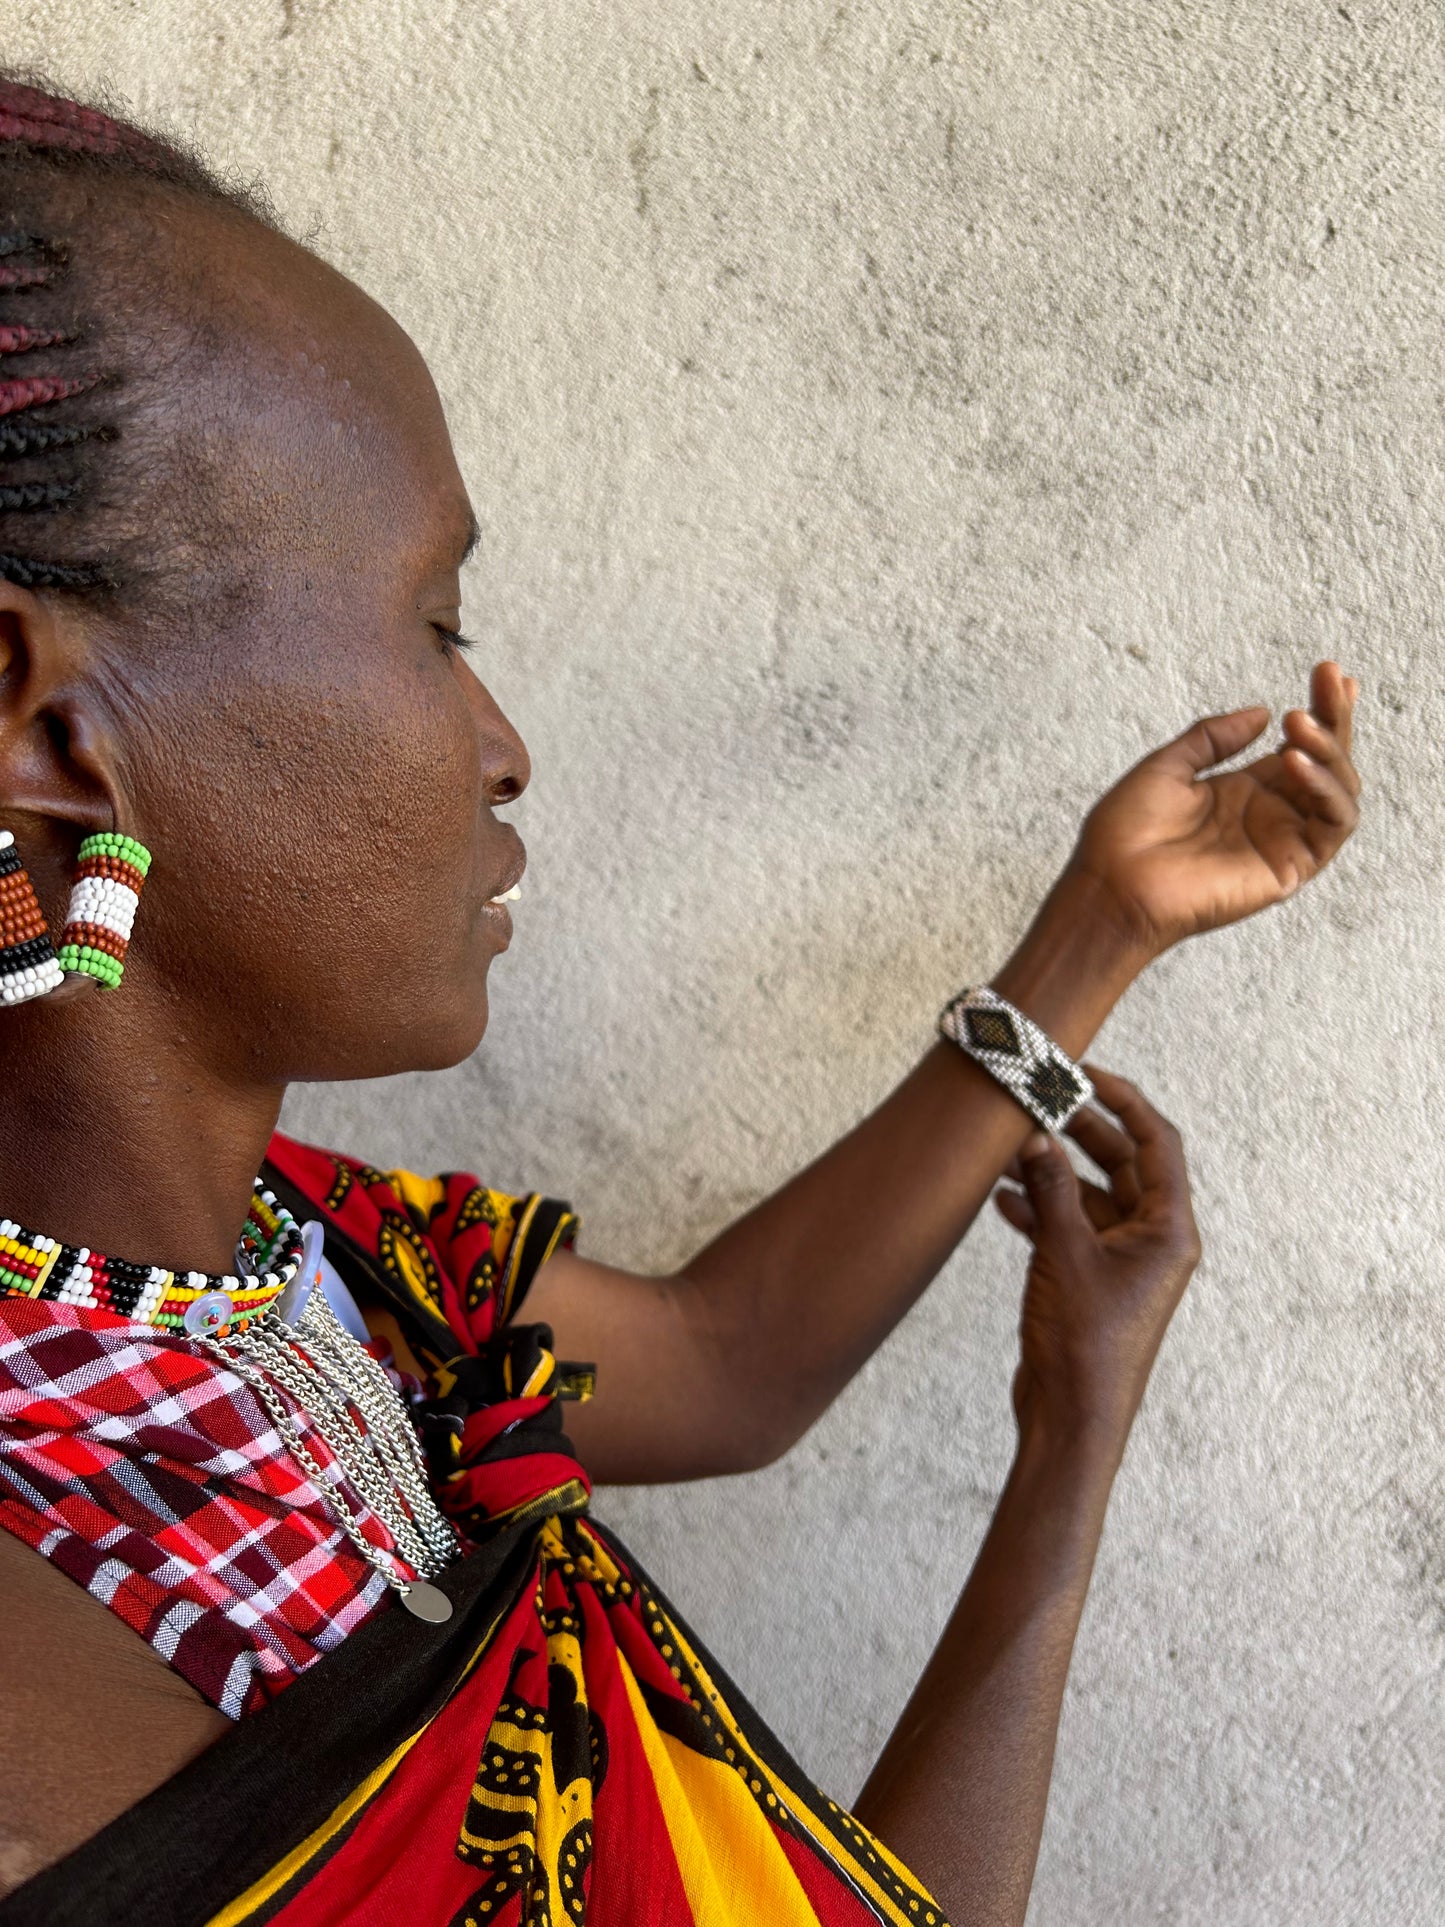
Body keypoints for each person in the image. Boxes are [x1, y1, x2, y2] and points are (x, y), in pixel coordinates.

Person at [0, 73, 1362, 1927]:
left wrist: (1097, 943)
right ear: (44, 719)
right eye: (435, 623)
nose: (501, 751)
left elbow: (731, 1361)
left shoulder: (323, 1281)